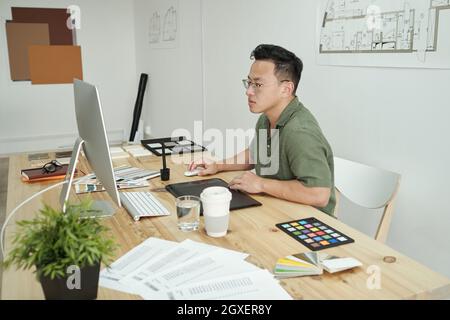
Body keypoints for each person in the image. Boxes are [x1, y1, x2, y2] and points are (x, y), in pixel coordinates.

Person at [189, 44, 336, 215]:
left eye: (258, 85)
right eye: (249, 83)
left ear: (286, 89)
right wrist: (217, 165)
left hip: (310, 222)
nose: (249, 92)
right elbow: (255, 154)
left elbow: (319, 194)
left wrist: (260, 184)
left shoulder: (300, 132)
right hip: (277, 209)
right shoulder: (267, 118)